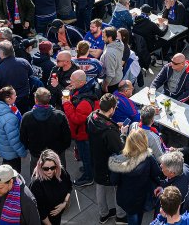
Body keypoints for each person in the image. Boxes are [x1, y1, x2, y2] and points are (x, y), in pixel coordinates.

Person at [88, 93, 127, 223]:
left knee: (100, 186)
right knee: (118, 188)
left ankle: (103, 214)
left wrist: (115, 126)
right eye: (115, 108)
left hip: (96, 160)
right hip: (111, 164)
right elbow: (120, 149)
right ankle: (121, 216)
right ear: (111, 109)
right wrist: (121, 134)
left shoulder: (91, 117)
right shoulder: (109, 131)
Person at [108, 129, 160, 225]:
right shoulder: (149, 158)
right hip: (142, 197)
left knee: (132, 217)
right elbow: (156, 172)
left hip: (127, 198)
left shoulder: (119, 160)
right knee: (139, 216)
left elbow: (114, 181)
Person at [63, 69, 99, 186]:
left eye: (72, 81)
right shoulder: (84, 89)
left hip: (83, 135)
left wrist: (66, 104)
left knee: (86, 155)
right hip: (84, 132)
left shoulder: (85, 102)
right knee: (86, 155)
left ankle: (88, 177)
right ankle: (88, 168)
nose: (70, 83)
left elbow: (76, 119)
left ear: (81, 83)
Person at [20, 88, 72, 168]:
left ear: (35, 100)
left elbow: (23, 137)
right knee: (60, 176)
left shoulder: (27, 117)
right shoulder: (60, 116)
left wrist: (31, 148)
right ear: (49, 98)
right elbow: (67, 137)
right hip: (57, 153)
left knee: (37, 177)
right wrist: (62, 149)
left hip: (36, 153)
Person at [0, 41, 42, 113]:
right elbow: (31, 75)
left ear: (1, 53)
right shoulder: (24, 62)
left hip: (8, 104)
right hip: (24, 100)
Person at [29, 150, 72, 225]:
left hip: (58, 216)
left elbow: (69, 186)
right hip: (46, 221)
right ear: (40, 167)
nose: (50, 171)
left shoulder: (61, 172)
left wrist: (64, 203)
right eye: (45, 168)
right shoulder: (37, 184)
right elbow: (40, 211)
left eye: (53, 167)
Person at [0, 86, 29, 173]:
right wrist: (22, 153)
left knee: (6, 166)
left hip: (3, 146)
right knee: (14, 173)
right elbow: (14, 140)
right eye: (14, 95)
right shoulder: (10, 119)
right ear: (8, 99)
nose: (16, 96)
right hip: (11, 152)